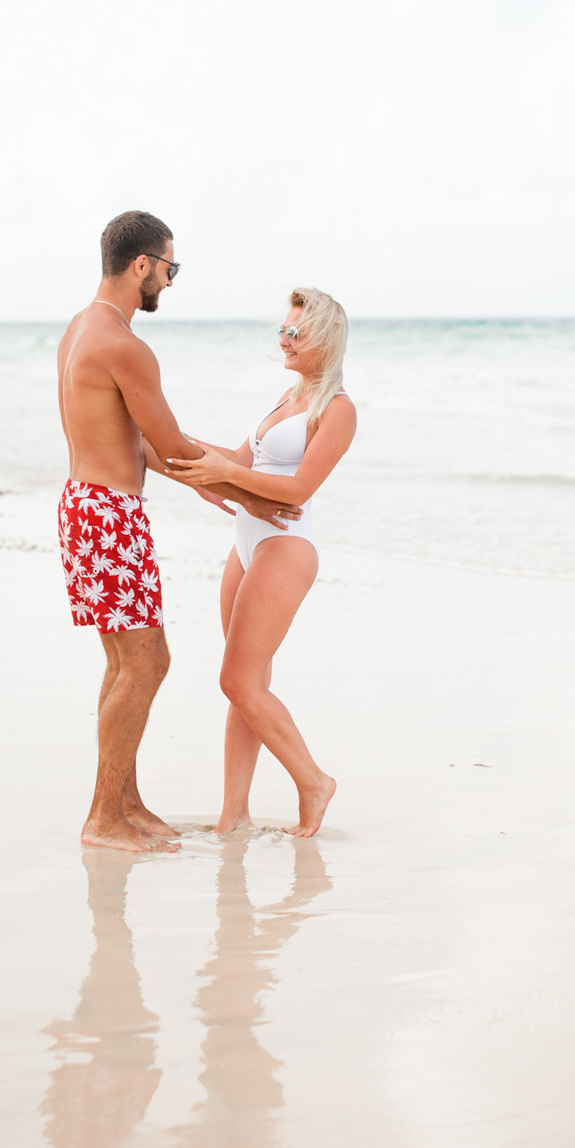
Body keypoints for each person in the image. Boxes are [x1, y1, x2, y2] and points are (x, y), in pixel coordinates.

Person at [57, 211, 300, 855]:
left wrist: (229, 487)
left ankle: (123, 802)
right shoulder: (124, 345)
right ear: (142, 266)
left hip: (89, 506)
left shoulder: (81, 330)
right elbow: (167, 444)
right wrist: (246, 492)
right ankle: (104, 816)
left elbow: (140, 443)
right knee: (146, 664)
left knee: (126, 665)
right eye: (169, 267)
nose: (170, 280)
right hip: (109, 515)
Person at [166, 288, 356, 837]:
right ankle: (234, 815)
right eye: (283, 330)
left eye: (294, 332)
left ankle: (314, 781)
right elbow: (236, 461)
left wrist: (222, 476)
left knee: (238, 681)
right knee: (248, 683)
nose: (283, 340)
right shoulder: (286, 396)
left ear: (323, 338)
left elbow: (298, 487)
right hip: (245, 544)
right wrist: (165, 438)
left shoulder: (337, 410)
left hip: (286, 546)